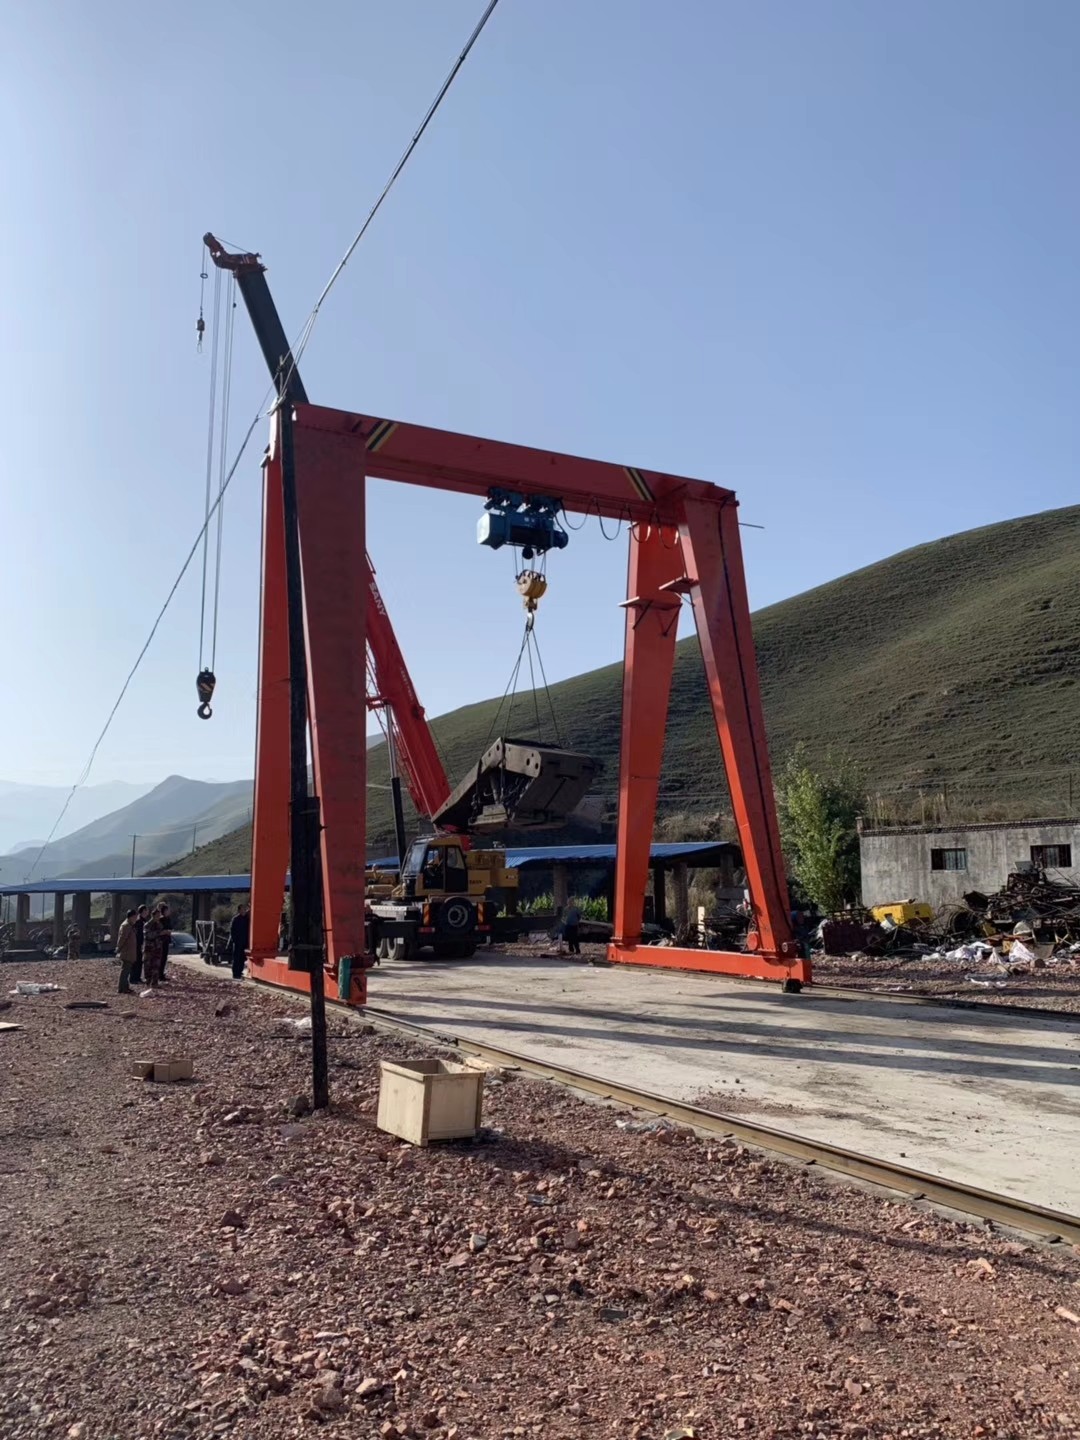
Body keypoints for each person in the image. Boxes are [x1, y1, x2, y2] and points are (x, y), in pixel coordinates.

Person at [115, 908, 138, 994]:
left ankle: (125, 987)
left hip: (130, 952)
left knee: (127, 970)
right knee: (125, 971)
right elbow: (122, 939)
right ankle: (122, 988)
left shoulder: (130, 925)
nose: (136, 919)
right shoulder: (126, 926)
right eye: (135, 917)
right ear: (131, 917)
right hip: (127, 952)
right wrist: (118, 949)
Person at [142, 909, 166, 989]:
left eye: (159, 916)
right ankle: (148, 981)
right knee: (148, 966)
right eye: (157, 916)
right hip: (149, 949)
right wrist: (159, 933)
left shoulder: (159, 924)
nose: (158, 917)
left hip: (157, 948)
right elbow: (148, 935)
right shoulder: (147, 925)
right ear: (153, 916)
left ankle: (155, 982)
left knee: (156, 966)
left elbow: (161, 934)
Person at [229, 903, 250, 980]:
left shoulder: (246, 919)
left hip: (244, 942)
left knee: (242, 958)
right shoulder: (235, 919)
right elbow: (232, 931)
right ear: (239, 910)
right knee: (236, 958)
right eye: (242, 909)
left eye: (245, 909)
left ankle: (240, 972)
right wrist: (234, 940)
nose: (244, 910)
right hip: (237, 942)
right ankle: (235, 974)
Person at [130, 904, 148, 987]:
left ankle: (138, 977)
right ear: (142, 911)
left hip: (141, 943)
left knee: (140, 961)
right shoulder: (139, 921)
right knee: (136, 961)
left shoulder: (143, 921)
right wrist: (139, 943)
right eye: (146, 910)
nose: (147, 912)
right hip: (137, 944)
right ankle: (133, 978)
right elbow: (138, 934)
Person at [157, 902, 173, 980]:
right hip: (161, 940)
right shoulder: (160, 919)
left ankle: (162, 974)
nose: (168, 911)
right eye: (167, 910)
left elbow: (170, 928)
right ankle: (159, 974)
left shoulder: (168, 919)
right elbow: (158, 931)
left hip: (167, 940)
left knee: (164, 958)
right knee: (161, 957)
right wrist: (165, 932)